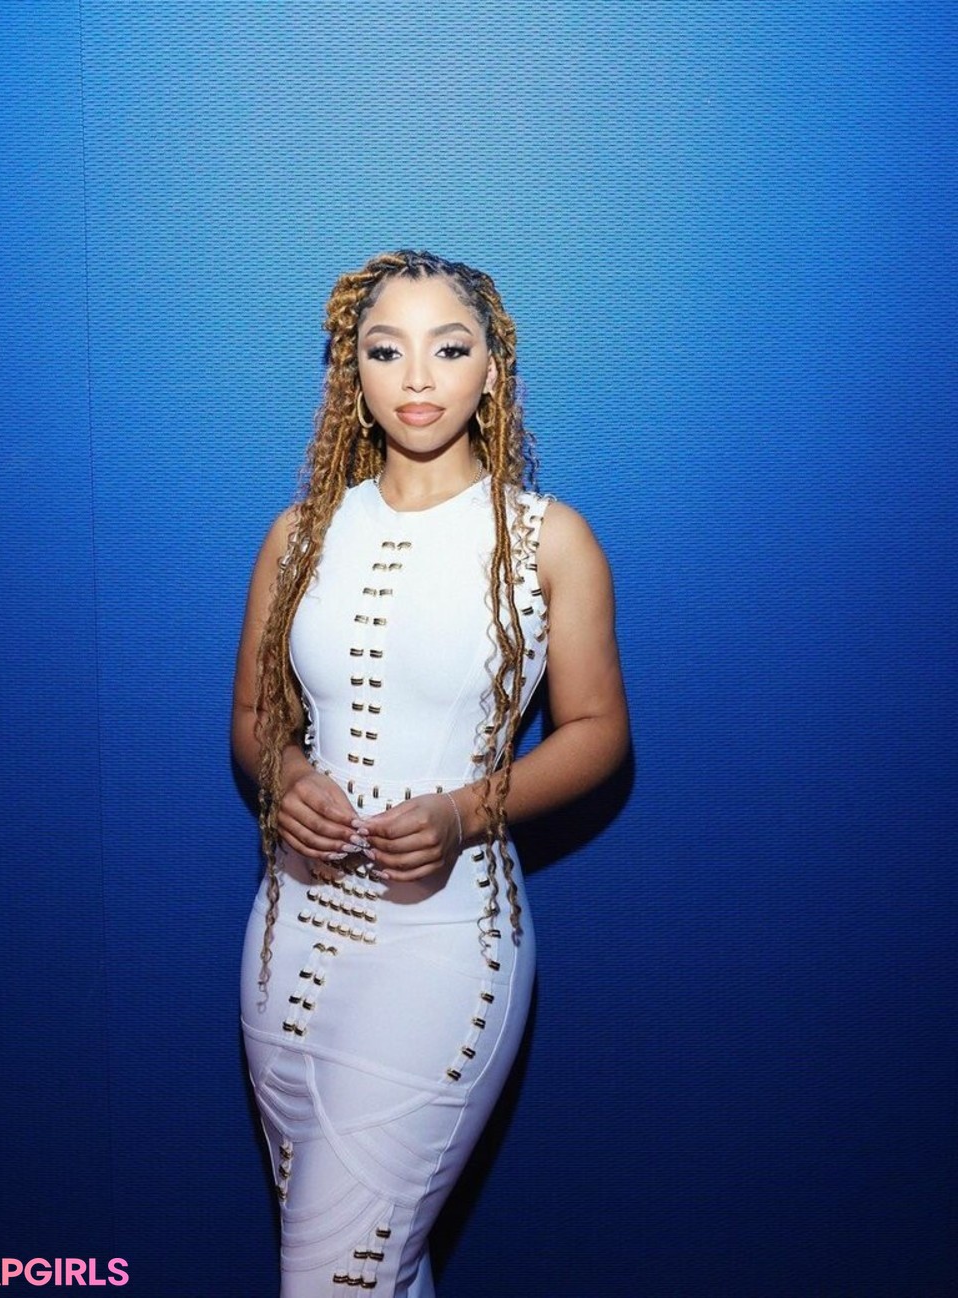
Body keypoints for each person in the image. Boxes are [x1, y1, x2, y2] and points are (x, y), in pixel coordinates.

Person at [231, 249, 629, 1296]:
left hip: (445, 943)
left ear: (493, 369)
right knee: (372, 1270)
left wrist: (463, 811)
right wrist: (287, 775)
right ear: (352, 373)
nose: (417, 377)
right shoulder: (298, 535)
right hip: (287, 937)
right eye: (386, 350)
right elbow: (256, 719)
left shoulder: (550, 538)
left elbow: (597, 731)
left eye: (449, 349)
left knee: (331, 1277)